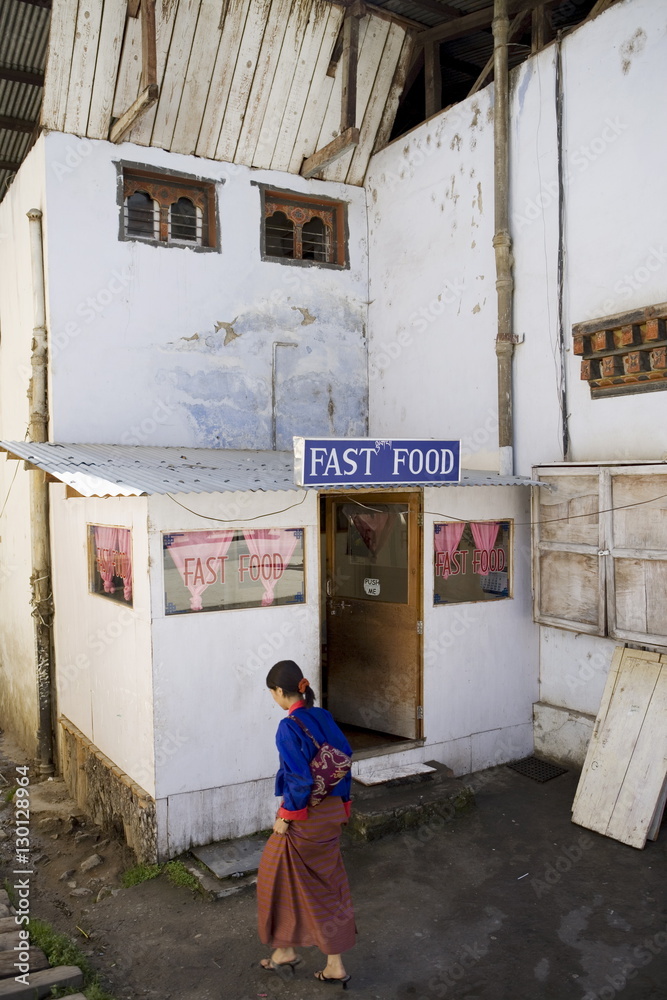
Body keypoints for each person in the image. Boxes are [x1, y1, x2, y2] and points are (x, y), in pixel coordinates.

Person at [257, 659, 356, 989]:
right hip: (332, 812)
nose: (273, 698)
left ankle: (294, 951)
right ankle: (314, 958)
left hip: (306, 816)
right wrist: (344, 804)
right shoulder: (323, 716)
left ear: (280, 692)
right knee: (324, 881)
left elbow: (299, 779)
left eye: (272, 693)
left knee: (274, 873)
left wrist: (286, 817)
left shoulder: (288, 727)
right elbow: (344, 759)